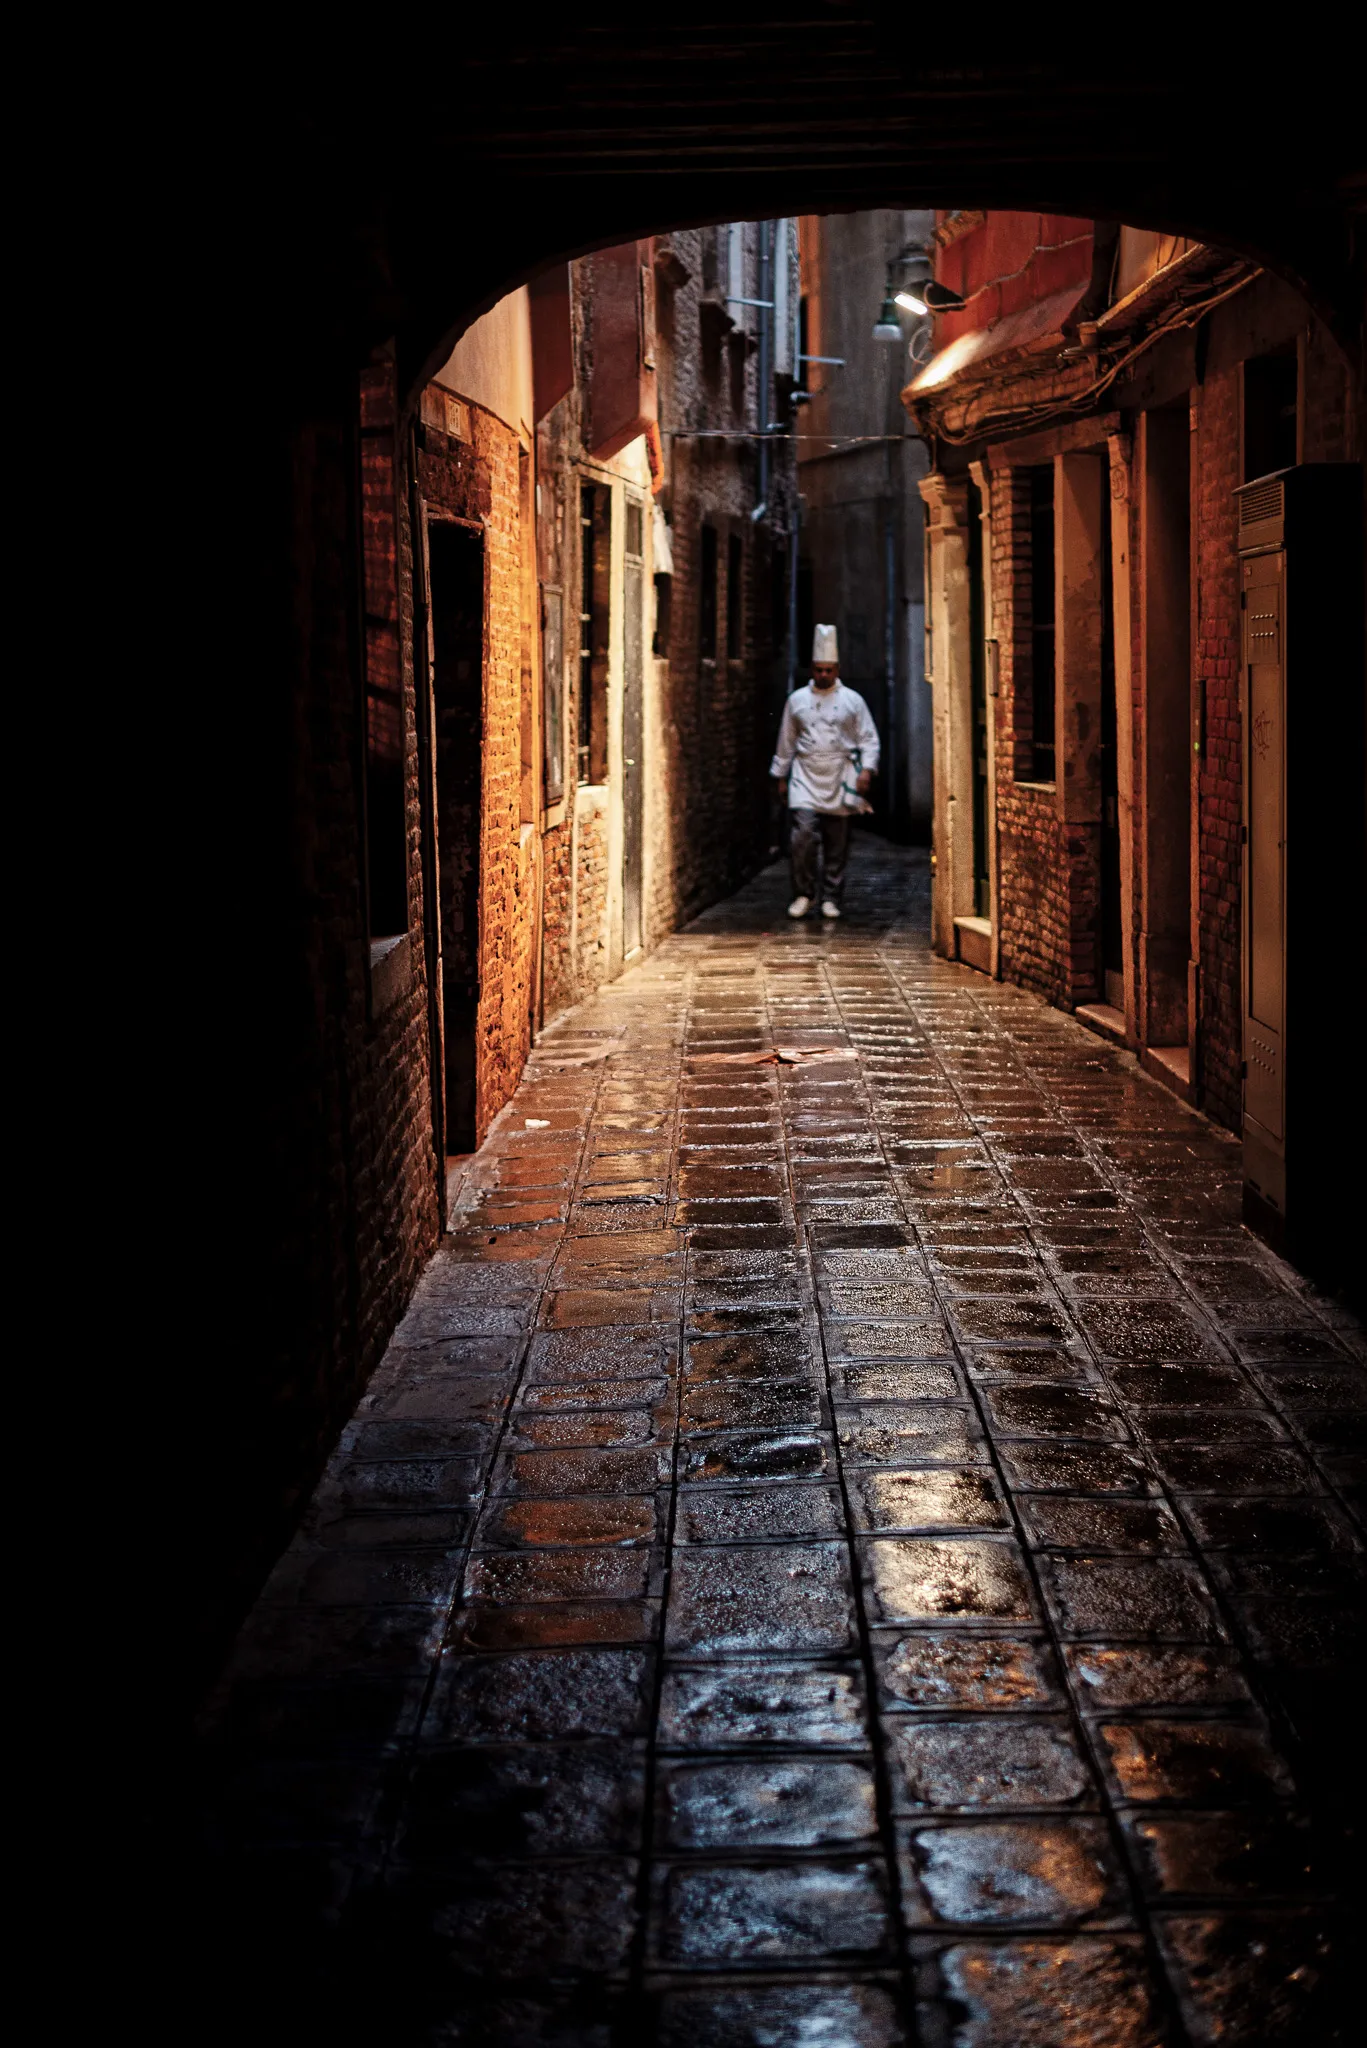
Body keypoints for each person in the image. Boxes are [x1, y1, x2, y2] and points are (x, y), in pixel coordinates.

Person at [770, 623, 881, 919]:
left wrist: (866, 770)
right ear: (812, 669)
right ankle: (803, 893)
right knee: (802, 836)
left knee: (837, 841)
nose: (823, 675)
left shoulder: (852, 701)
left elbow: (868, 738)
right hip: (805, 774)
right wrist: (781, 776)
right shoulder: (797, 701)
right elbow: (786, 740)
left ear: (837, 669)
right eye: (818, 670)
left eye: (828, 670)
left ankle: (832, 895)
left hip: (839, 774)